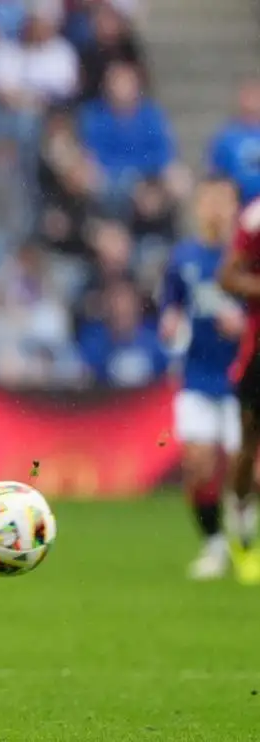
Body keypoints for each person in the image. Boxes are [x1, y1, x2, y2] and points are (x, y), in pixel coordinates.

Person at [160, 178, 243, 581]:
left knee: (248, 472)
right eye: (207, 200)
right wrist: (169, 319)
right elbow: (172, 302)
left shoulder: (247, 256)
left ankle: (246, 535)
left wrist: (246, 327)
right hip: (198, 376)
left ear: (235, 207)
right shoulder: (184, 257)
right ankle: (214, 545)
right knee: (197, 465)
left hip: (244, 376)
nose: (214, 208)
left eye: (222, 201)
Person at [218, 192, 260, 585]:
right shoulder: (255, 218)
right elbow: (228, 275)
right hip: (257, 353)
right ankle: (241, 521)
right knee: (249, 444)